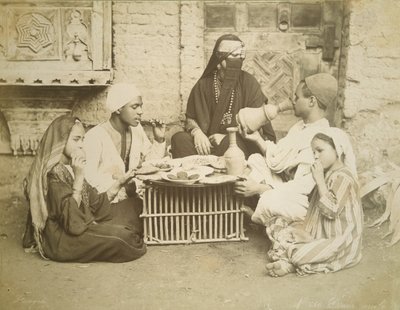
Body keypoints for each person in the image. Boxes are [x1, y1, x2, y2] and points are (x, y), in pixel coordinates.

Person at [23, 116, 146, 262]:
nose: (81, 145)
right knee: (123, 240)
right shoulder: (51, 175)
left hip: (83, 221)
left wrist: (120, 183)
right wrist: (79, 179)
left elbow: (96, 203)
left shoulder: (69, 167)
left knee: (137, 206)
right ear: (61, 141)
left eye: (82, 139)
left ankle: (109, 229)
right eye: (76, 140)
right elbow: (73, 224)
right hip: (63, 238)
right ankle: (114, 231)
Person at [235, 73, 338, 222]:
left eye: (297, 97)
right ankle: (265, 211)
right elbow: (278, 158)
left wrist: (259, 188)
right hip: (286, 185)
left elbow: (302, 188)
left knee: (271, 201)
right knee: (255, 160)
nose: (293, 101)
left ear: (311, 101)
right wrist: (257, 138)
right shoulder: (299, 127)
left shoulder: (320, 139)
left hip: (302, 199)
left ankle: (264, 218)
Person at [265, 127, 362, 277]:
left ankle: (288, 261)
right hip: (319, 233)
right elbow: (313, 207)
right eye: (313, 152)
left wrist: (320, 181)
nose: (315, 156)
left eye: (320, 150)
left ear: (337, 150)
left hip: (338, 239)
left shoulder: (344, 177)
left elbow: (331, 211)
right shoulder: (326, 174)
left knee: (298, 253)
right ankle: (290, 257)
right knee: (275, 222)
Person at [170, 34, 276, 159]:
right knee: (179, 139)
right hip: (208, 143)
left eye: (240, 57)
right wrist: (197, 132)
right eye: (233, 56)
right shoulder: (203, 85)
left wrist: (228, 137)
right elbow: (190, 119)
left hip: (239, 141)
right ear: (219, 62)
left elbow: (258, 123)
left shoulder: (249, 82)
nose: (238, 61)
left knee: (231, 144)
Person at [84, 83, 166, 202]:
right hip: (106, 201)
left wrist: (159, 140)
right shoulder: (94, 137)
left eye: (141, 106)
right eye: (135, 107)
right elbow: (88, 179)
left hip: (134, 197)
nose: (140, 111)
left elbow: (151, 164)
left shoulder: (136, 130)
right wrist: (123, 186)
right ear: (118, 108)